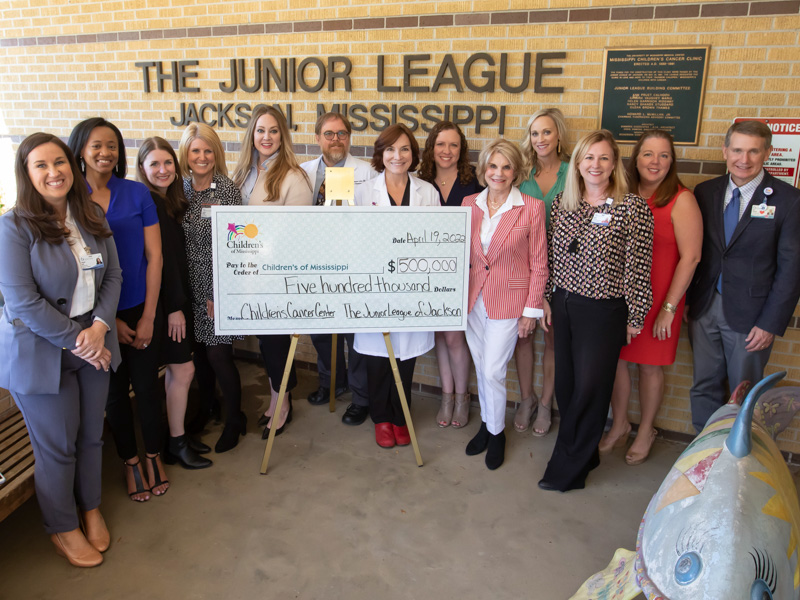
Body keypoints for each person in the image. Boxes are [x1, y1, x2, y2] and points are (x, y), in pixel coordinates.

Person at [0, 133, 121, 566]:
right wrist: (79, 338)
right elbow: (22, 302)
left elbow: (113, 278)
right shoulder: (14, 226)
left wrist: (100, 327)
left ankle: (90, 508)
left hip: (95, 341)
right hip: (42, 352)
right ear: (28, 174)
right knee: (56, 447)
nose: (54, 172)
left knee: (91, 436)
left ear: (72, 166)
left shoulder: (88, 214)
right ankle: (62, 526)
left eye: (60, 162)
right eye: (41, 165)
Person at [539, 129, 654, 492]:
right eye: (589, 157)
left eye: (604, 158)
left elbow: (639, 267)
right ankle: (585, 452)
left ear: (614, 164)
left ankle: (567, 469)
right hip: (566, 305)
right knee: (567, 387)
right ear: (578, 163)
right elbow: (552, 257)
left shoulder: (631, 207)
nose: (596, 165)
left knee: (590, 388)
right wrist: (545, 297)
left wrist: (636, 316)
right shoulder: (563, 203)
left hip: (605, 311)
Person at [68, 118, 166, 501]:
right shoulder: (69, 197)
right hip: (95, 316)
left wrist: (148, 317)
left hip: (140, 305)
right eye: (96, 145)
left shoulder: (137, 194)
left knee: (146, 389)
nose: (105, 152)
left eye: (112, 145)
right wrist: (110, 322)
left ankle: (154, 455)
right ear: (80, 149)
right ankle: (130, 462)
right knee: (113, 394)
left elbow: (154, 257)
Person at [687, 120, 800, 432]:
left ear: (767, 153)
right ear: (725, 151)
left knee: (746, 392)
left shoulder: (788, 200)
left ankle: (740, 460)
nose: (744, 159)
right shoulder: (705, 192)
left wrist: (769, 323)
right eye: (737, 150)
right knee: (704, 385)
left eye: (753, 151)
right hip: (705, 307)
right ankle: (704, 453)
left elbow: (792, 269)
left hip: (753, 318)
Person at [603, 130, 702, 465]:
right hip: (622, 297)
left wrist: (669, 310)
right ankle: (619, 424)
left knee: (649, 368)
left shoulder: (680, 199)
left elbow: (691, 257)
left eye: (663, 155)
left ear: (671, 160)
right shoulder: (622, 194)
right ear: (636, 158)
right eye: (648, 154)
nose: (655, 162)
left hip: (661, 300)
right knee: (617, 362)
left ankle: (646, 430)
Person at [462, 139, 548, 470]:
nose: (498, 173)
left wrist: (531, 310)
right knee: (482, 364)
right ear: (484, 168)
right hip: (473, 300)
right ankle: (488, 424)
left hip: (509, 302)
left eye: (506, 167)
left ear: (516, 171)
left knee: (492, 370)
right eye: (493, 166)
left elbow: (539, 263)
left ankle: (497, 434)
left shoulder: (530, 207)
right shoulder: (469, 204)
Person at [354, 124, 438, 448]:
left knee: (405, 357)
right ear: (381, 154)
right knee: (378, 357)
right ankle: (381, 418)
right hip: (374, 286)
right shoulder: (363, 192)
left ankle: (401, 416)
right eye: (390, 149)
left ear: (412, 155)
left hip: (412, 287)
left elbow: (436, 241)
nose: (397, 156)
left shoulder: (427, 192)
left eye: (404, 149)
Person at [232, 106, 311, 439]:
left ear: (283, 135)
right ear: (252, 133)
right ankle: (280, 395)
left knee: (276, 342)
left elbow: (297, 234)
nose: (267, 137)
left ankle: (282, 402)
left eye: (274, 130)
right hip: (247, 276)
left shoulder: (293, 176)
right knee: (266, 342)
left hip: (277, 278)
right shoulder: (242, 174)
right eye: (261, 130)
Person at [136, 137, 212, 469]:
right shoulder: (151, 205)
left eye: (168, 163)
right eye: (154, 164)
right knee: (183, 370)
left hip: (174, 302)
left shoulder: (166, 202)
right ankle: (176, 444)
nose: (163, 169)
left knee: (178, 371)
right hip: (169, 306)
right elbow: (160, 261)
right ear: (142, 168)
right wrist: (176, 307)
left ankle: (176, 437)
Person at [300, 112, 376, 426]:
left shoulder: (367, 172)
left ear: (349, 138)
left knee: (353, 336)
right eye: (329, 134)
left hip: (353, 265)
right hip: (314, 264)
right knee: (320, 330)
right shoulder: (303, 172)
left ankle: (361, 397)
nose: (336, 140)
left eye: (342, 133)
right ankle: (331, 382)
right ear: (317, 138)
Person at [179, 122, 247, 452]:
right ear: (185, 154)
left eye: (208, 150)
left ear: (216, 153)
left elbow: (236, 247)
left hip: (217, 287)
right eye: (195, 150)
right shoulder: (179, 190)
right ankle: (207, 408)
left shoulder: (227, 191)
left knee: (219, 354)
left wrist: (220, 292)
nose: (202, 157)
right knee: (200, 357)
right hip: (186, 286)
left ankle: (235, 418)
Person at [418, 121, 482, 430]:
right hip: (429, 271)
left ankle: (462, 396)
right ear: (431, 148)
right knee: (439, 335)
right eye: (441, 144)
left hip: (462, 271)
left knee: (455, 336)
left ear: (462, 150)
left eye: (453, 145)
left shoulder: (474, 184)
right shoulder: (420, 182)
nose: (447, 151)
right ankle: (446, 395)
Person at [514, 108, 571, 436]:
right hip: (526, 266)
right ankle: (526, 398)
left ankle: (547, 404)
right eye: (535, 133)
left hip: (562, 269)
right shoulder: (521, 174)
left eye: (546, 132)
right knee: (524, 336)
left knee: (552, 338)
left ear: (558, 135)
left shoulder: (572, 173)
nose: (540, 140)